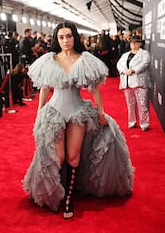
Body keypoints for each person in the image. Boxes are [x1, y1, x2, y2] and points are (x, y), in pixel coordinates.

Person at [23, 22, 134, 219]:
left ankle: (68, 199)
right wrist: (40, 109)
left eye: (69, 36)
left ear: (75, 37)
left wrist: (100, 112)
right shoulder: (50, 59)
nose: (65, 41)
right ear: (57, 39)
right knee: (59, 157)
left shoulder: (85, 59)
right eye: (61, 37)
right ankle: (56, 193)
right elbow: (46, 87)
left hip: (78, 112)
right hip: (54, 112)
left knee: (73, 157)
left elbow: (94, 89)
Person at [117, 35, 151, 131]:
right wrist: (124, 71)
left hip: (140, 82)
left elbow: (145, 63)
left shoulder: (144, 53)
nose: (133, 44)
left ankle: (144, 124)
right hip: (127, 82)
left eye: (136, 42)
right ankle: (132, 121)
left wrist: (133, 70)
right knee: (130, 104)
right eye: (132, 42)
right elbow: (119, 64)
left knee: (142, 104)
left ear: (140, 43)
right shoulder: (125, 55)